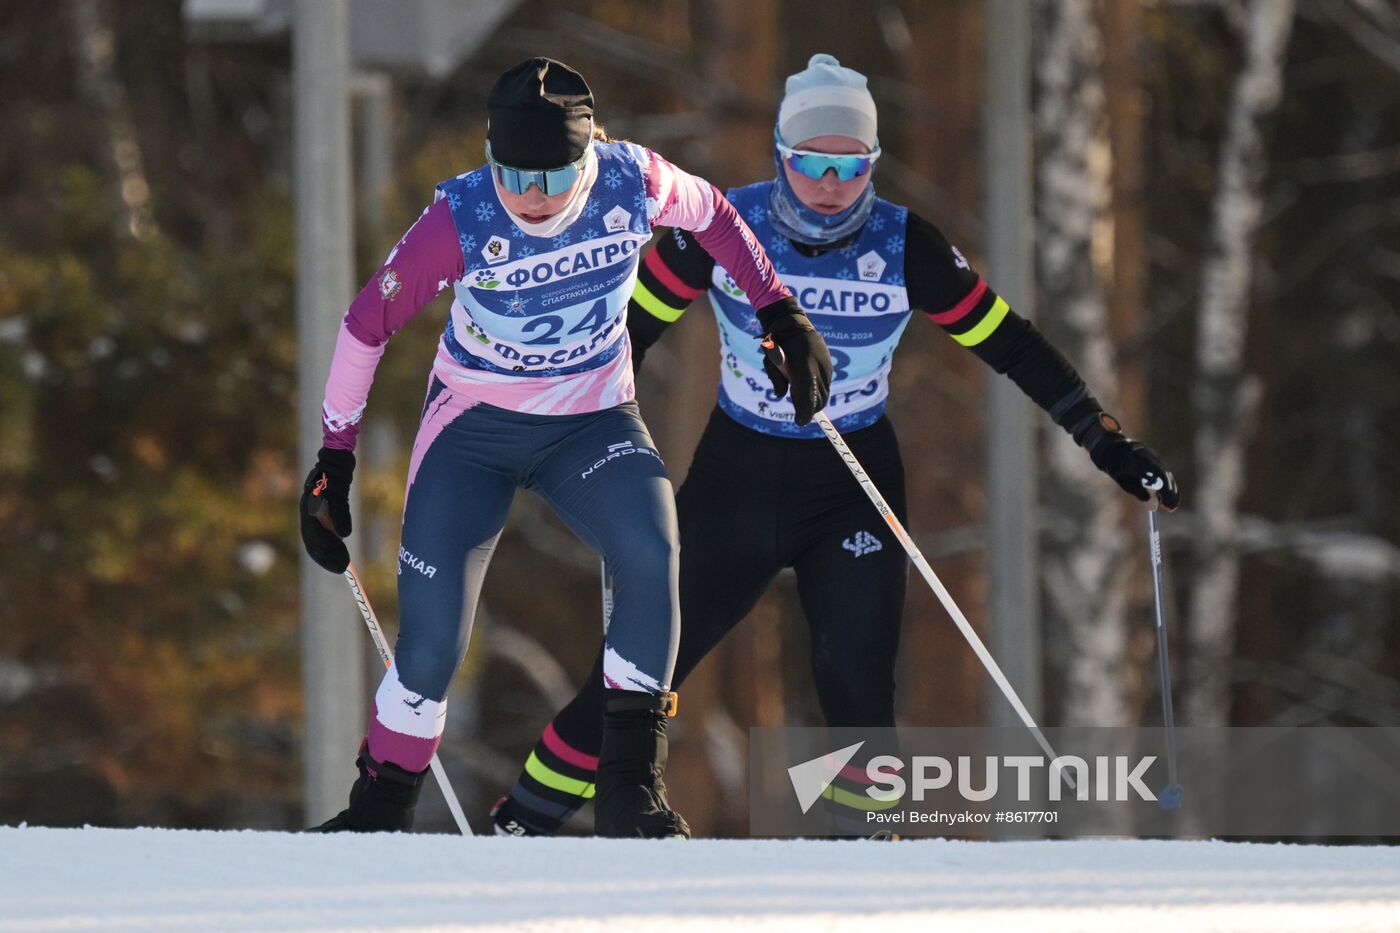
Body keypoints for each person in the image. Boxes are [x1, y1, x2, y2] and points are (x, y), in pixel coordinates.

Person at [490, 53, 1180, 838]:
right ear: (782, 158)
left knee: (855, 680)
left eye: (848, 168)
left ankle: (861, 859)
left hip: (853, 482)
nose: (827, 184)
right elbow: (623, 339)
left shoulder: (905, 245)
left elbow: (1011, 345)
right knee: (639, 668)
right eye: (809, 163)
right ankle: (525, 821)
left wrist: (1105, 439)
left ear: (873, 166)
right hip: (737, 479)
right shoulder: (721, 226)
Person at [297, 57, 832, 838]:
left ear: (590, 154)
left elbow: (715, 213)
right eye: (514, 174)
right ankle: (377, 810)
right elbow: (363, 326)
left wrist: (781, 313)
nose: (535, 197)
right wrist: (335, 457)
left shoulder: (632, 182)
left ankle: (628, 789)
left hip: (592, 423)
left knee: (653, 552)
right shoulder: (463, 218)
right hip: (473, 435)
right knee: (433, 648)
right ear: (490, 157)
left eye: (556, 174)